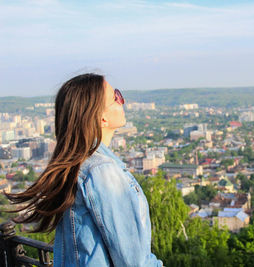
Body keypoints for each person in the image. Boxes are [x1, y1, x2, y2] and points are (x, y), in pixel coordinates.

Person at [5, 73, 163, 266]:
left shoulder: (78, 163)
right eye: (117, 97)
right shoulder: (101, 170)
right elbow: (135, 262)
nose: (123, 101)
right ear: (101, 117)